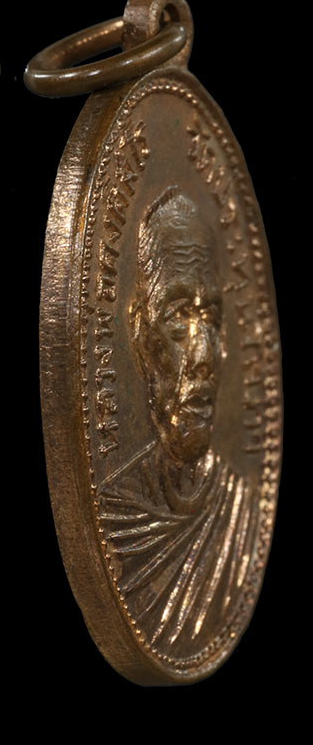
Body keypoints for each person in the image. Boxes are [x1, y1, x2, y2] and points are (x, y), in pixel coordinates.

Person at [96, 187, 254, 654]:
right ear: (141, 333)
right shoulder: (114, 512)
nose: (204, 355)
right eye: (179, 315)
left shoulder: (241, 507)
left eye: (211, 318)